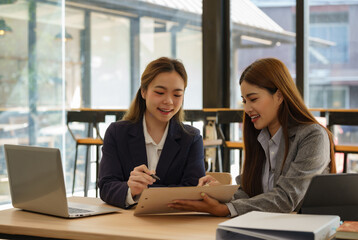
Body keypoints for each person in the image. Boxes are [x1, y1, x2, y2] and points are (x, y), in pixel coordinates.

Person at [168, 58, 336, 217]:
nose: (247, 109)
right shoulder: (259, 137)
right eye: (244, 101)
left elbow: (286, 199)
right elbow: (248, 193)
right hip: (264, 228)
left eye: (253, 99)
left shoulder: (312, 136)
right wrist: (222, 193)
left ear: (279, 95)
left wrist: (226, 208)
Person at [98, 57, 206, 208]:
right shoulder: (117, 133)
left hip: (174, 223)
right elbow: (106, 186)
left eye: (177, 95)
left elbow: (193, 190)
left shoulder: (191, 138)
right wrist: (130, 190)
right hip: (127, 221)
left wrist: (142, 191)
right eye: (160, 92)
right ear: (143, 91)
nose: (168, 101)